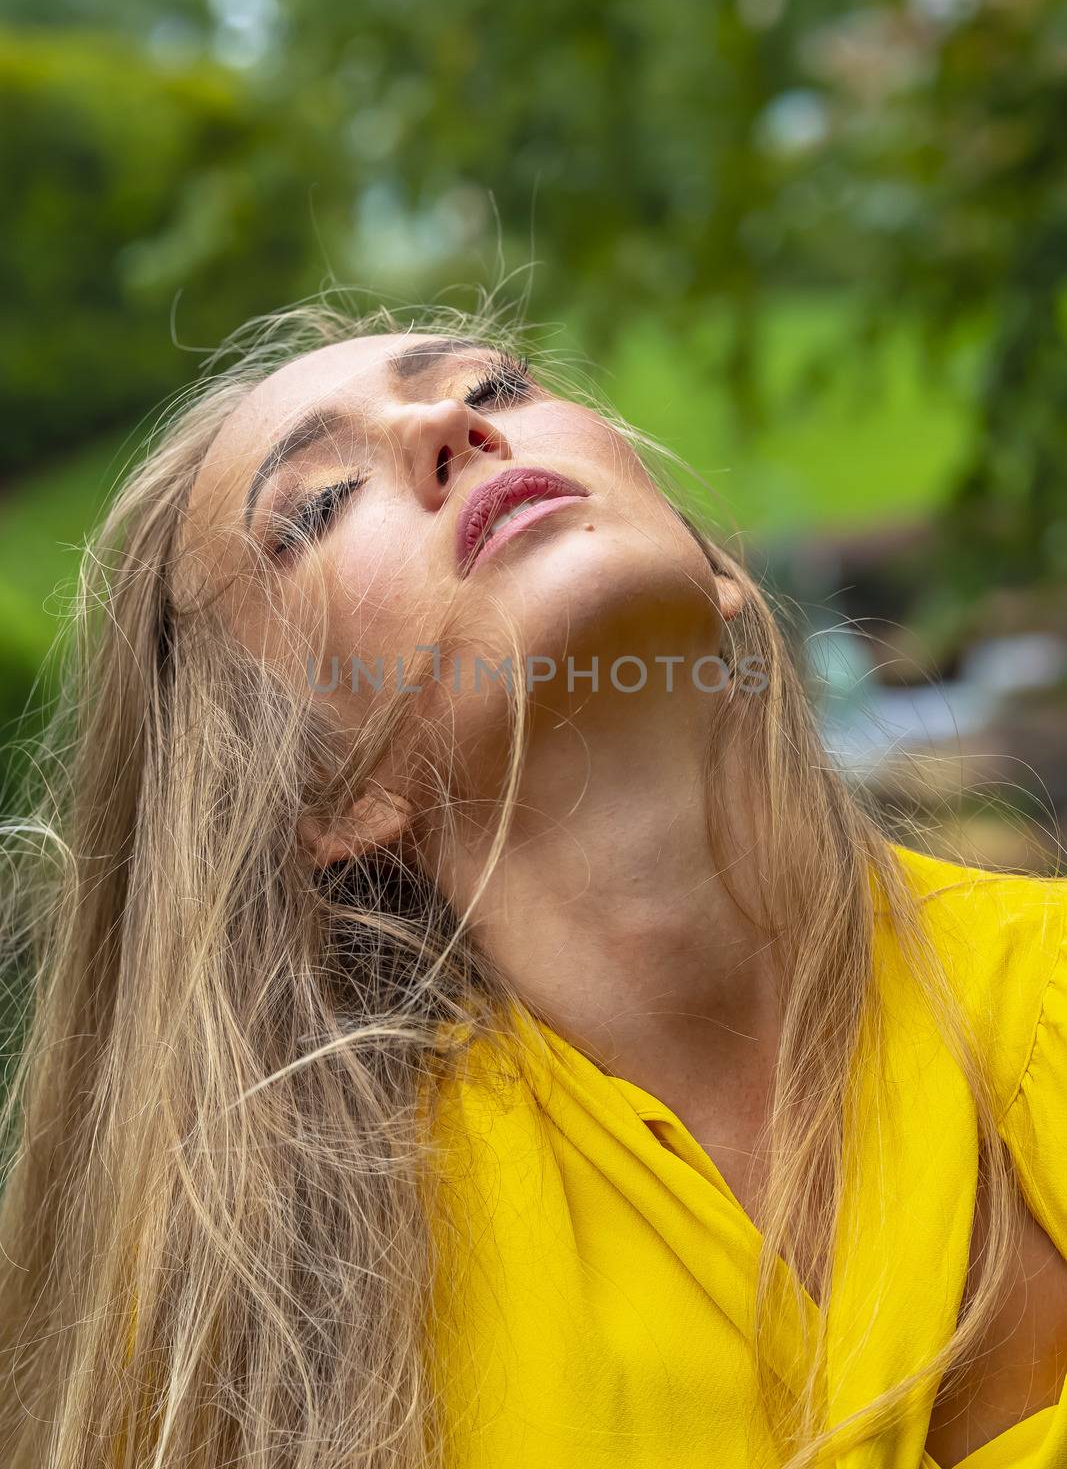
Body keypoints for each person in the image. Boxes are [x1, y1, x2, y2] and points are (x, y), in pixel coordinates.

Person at [0, 294, 1064, 1469]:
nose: (448, 428)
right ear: (325, 796)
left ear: (719, 573)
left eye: (495, 386)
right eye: (321, 502)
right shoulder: (298, 1325)